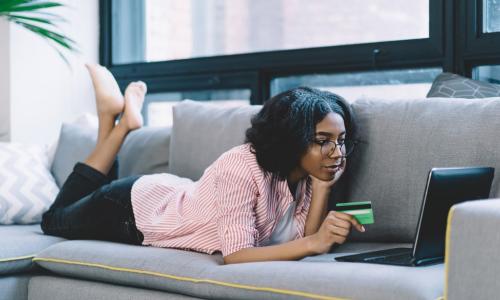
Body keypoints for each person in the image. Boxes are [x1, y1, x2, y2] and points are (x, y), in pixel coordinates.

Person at [41, 64, 365, 265]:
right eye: (322, 141)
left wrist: (323, 187)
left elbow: (299, 238)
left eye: (340, 140)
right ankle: (118, 125)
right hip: (129, 209)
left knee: (74, 205)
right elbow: (236, 255)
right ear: (292, 137)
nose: (337, 152)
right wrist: (315, 242)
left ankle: (112, 117)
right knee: (53, 220)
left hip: (169, 194)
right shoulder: (241, 166)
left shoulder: (307, 175)